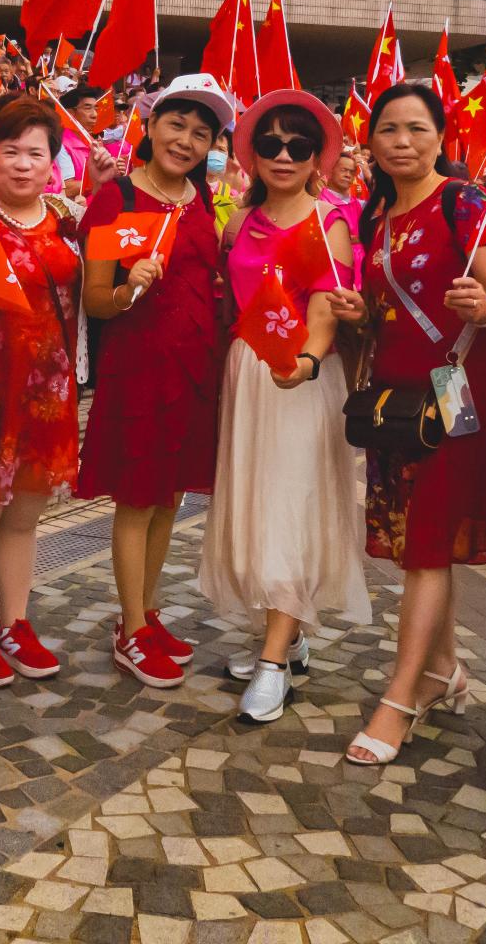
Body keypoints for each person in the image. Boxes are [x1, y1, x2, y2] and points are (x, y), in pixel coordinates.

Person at [344, 82, 486, 765]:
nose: (402, 141)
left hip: (457, 385)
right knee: (422, 535)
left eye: (416, 128)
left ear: (440, 137)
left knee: (425, 540)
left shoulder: (465, 201)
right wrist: (357, 313)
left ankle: (400, 698)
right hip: (397, 394)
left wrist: (483, 305)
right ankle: (444, 668)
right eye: (388, 129)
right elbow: (378, 304)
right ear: (372, 144)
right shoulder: (377, 215)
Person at [200, 91, 369, 724]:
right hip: (247, 372)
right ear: (251, 153)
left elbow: (328, 303)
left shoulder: (331, 222)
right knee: (252, 507)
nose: (284, 155)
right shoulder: (237, 224)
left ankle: (274, 663)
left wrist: (305, 362)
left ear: (318, 156)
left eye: (298, 145)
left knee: (290, 511)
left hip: (298, 376)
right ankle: (285, 638)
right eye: (270, 143)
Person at [79, 74, 232, 689]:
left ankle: (145, 611)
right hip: (138, 366)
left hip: (194, 367)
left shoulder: (202, 201)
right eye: (177, 125)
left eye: (201, 133)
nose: (186, 141)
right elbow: (94, 299)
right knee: (138, 498)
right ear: (150, 126)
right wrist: (127, 284)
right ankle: (130, 629)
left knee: (170, 497)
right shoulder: (117, 199)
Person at [0, 99, 82, 687]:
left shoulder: (66, 217)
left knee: (25, 519)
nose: (24, 165)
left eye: (37, 153)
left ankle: (15, 621)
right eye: (11, 152)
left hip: (49, 393)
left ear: (53, 163)